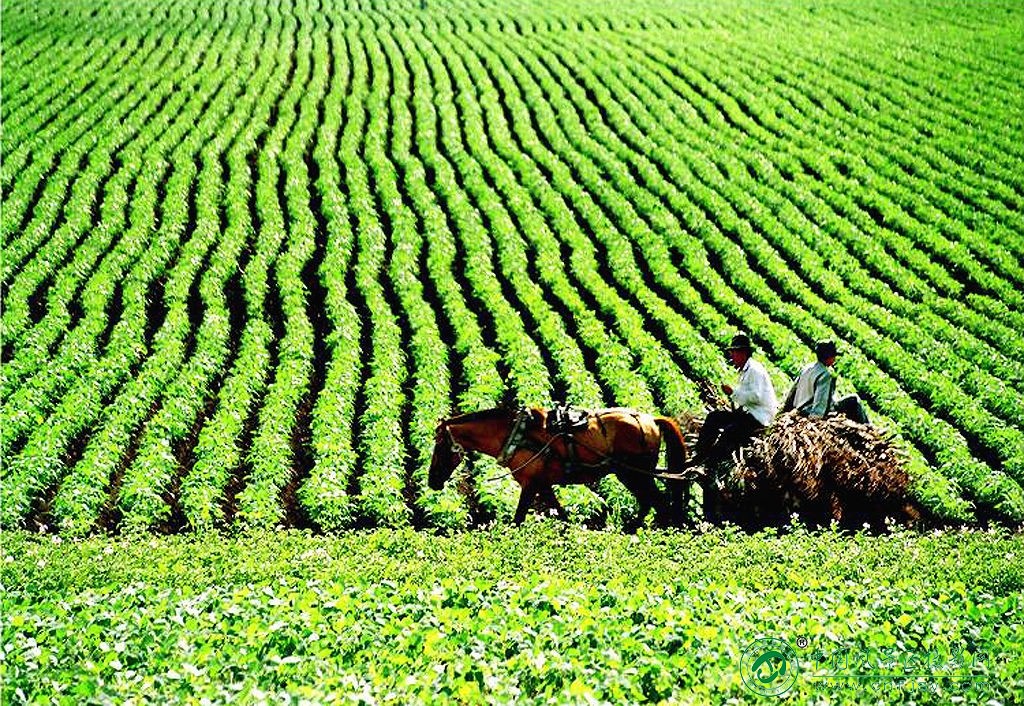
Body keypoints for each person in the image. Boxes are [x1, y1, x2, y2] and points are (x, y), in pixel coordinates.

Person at [690, 333, 778, 468]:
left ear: (743, 353)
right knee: (714, 417)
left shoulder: (754, 370)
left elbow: (757, 396)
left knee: (730, 432)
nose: (731, 355)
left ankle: (711, 464)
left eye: (733, 352)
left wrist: (733, 393)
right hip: (748, 413)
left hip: (759, 417)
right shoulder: (745, 370)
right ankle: (700, 455)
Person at [782, 340, 869, 423]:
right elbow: (821, 402)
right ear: (829, 357)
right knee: (854, 399)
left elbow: (792, 392)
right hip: (810, 411)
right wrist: (816, 418)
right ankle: (868, 427)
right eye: (834, 356)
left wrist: (785, 410)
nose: (834, 359)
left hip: (800, 408)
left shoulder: (807, 368)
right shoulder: (825, 375)